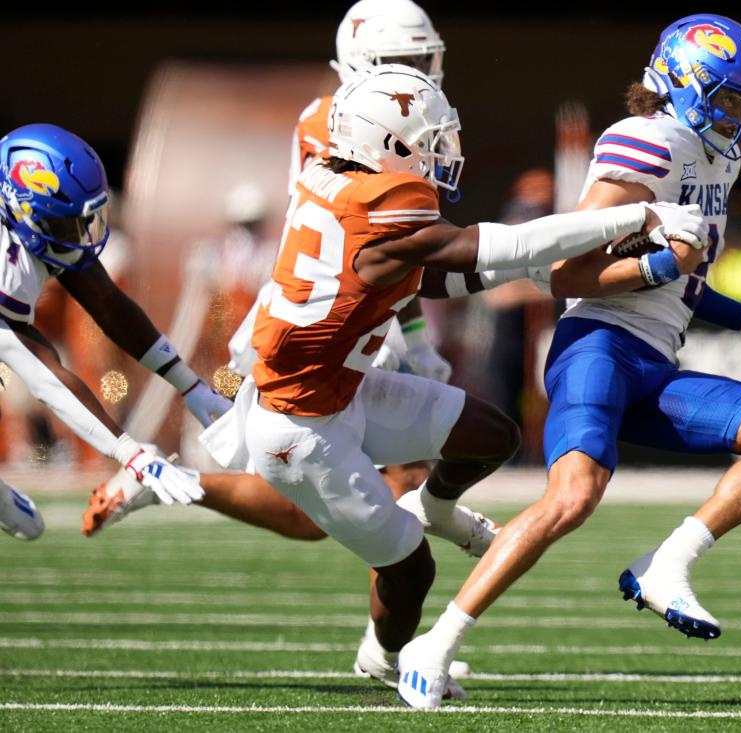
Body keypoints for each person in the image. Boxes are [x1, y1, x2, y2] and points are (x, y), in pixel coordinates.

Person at [206, 64, 704, 698]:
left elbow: (440, 274)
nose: (442, 153)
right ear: (383, 143)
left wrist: (541, 272)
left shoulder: (332, 180)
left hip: (344, 387)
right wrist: (634, 216)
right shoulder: (382, 207)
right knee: (410, 570)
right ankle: (387, 658)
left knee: (488, 435)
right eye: (428, 139)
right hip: (302, 428)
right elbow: (503, 247)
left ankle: (436, 505)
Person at [397, 15, 741, 709]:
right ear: (683, 85)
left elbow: (679, 279)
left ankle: (668, 563)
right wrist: (661, 260)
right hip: (597, 343)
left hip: (655, 356)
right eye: (726, 100)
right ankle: (436, 640)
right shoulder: (648, 142)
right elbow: (564, 272)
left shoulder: (713, 155)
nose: (739, 118)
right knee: (571, 497)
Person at [85, 0, 464, 544]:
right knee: (378, 489)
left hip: (344, 319)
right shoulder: (334, 125)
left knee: (329, 509)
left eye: (421, 58)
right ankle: (423, 594)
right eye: (402, 59)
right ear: (361, 60)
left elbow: (397, 259)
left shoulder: (410, 122)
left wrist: (419, 338)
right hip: (331, 327)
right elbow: (375, 254)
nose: (417, 76)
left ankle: (177, 482)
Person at [0, 123, 219, 541]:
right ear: (18, 207)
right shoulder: (5, 263)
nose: (81, 238)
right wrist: (132, 455)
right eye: (64, 225)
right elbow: (43, 372)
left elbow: (108, 304)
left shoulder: (29, 229)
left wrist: (189, 386)